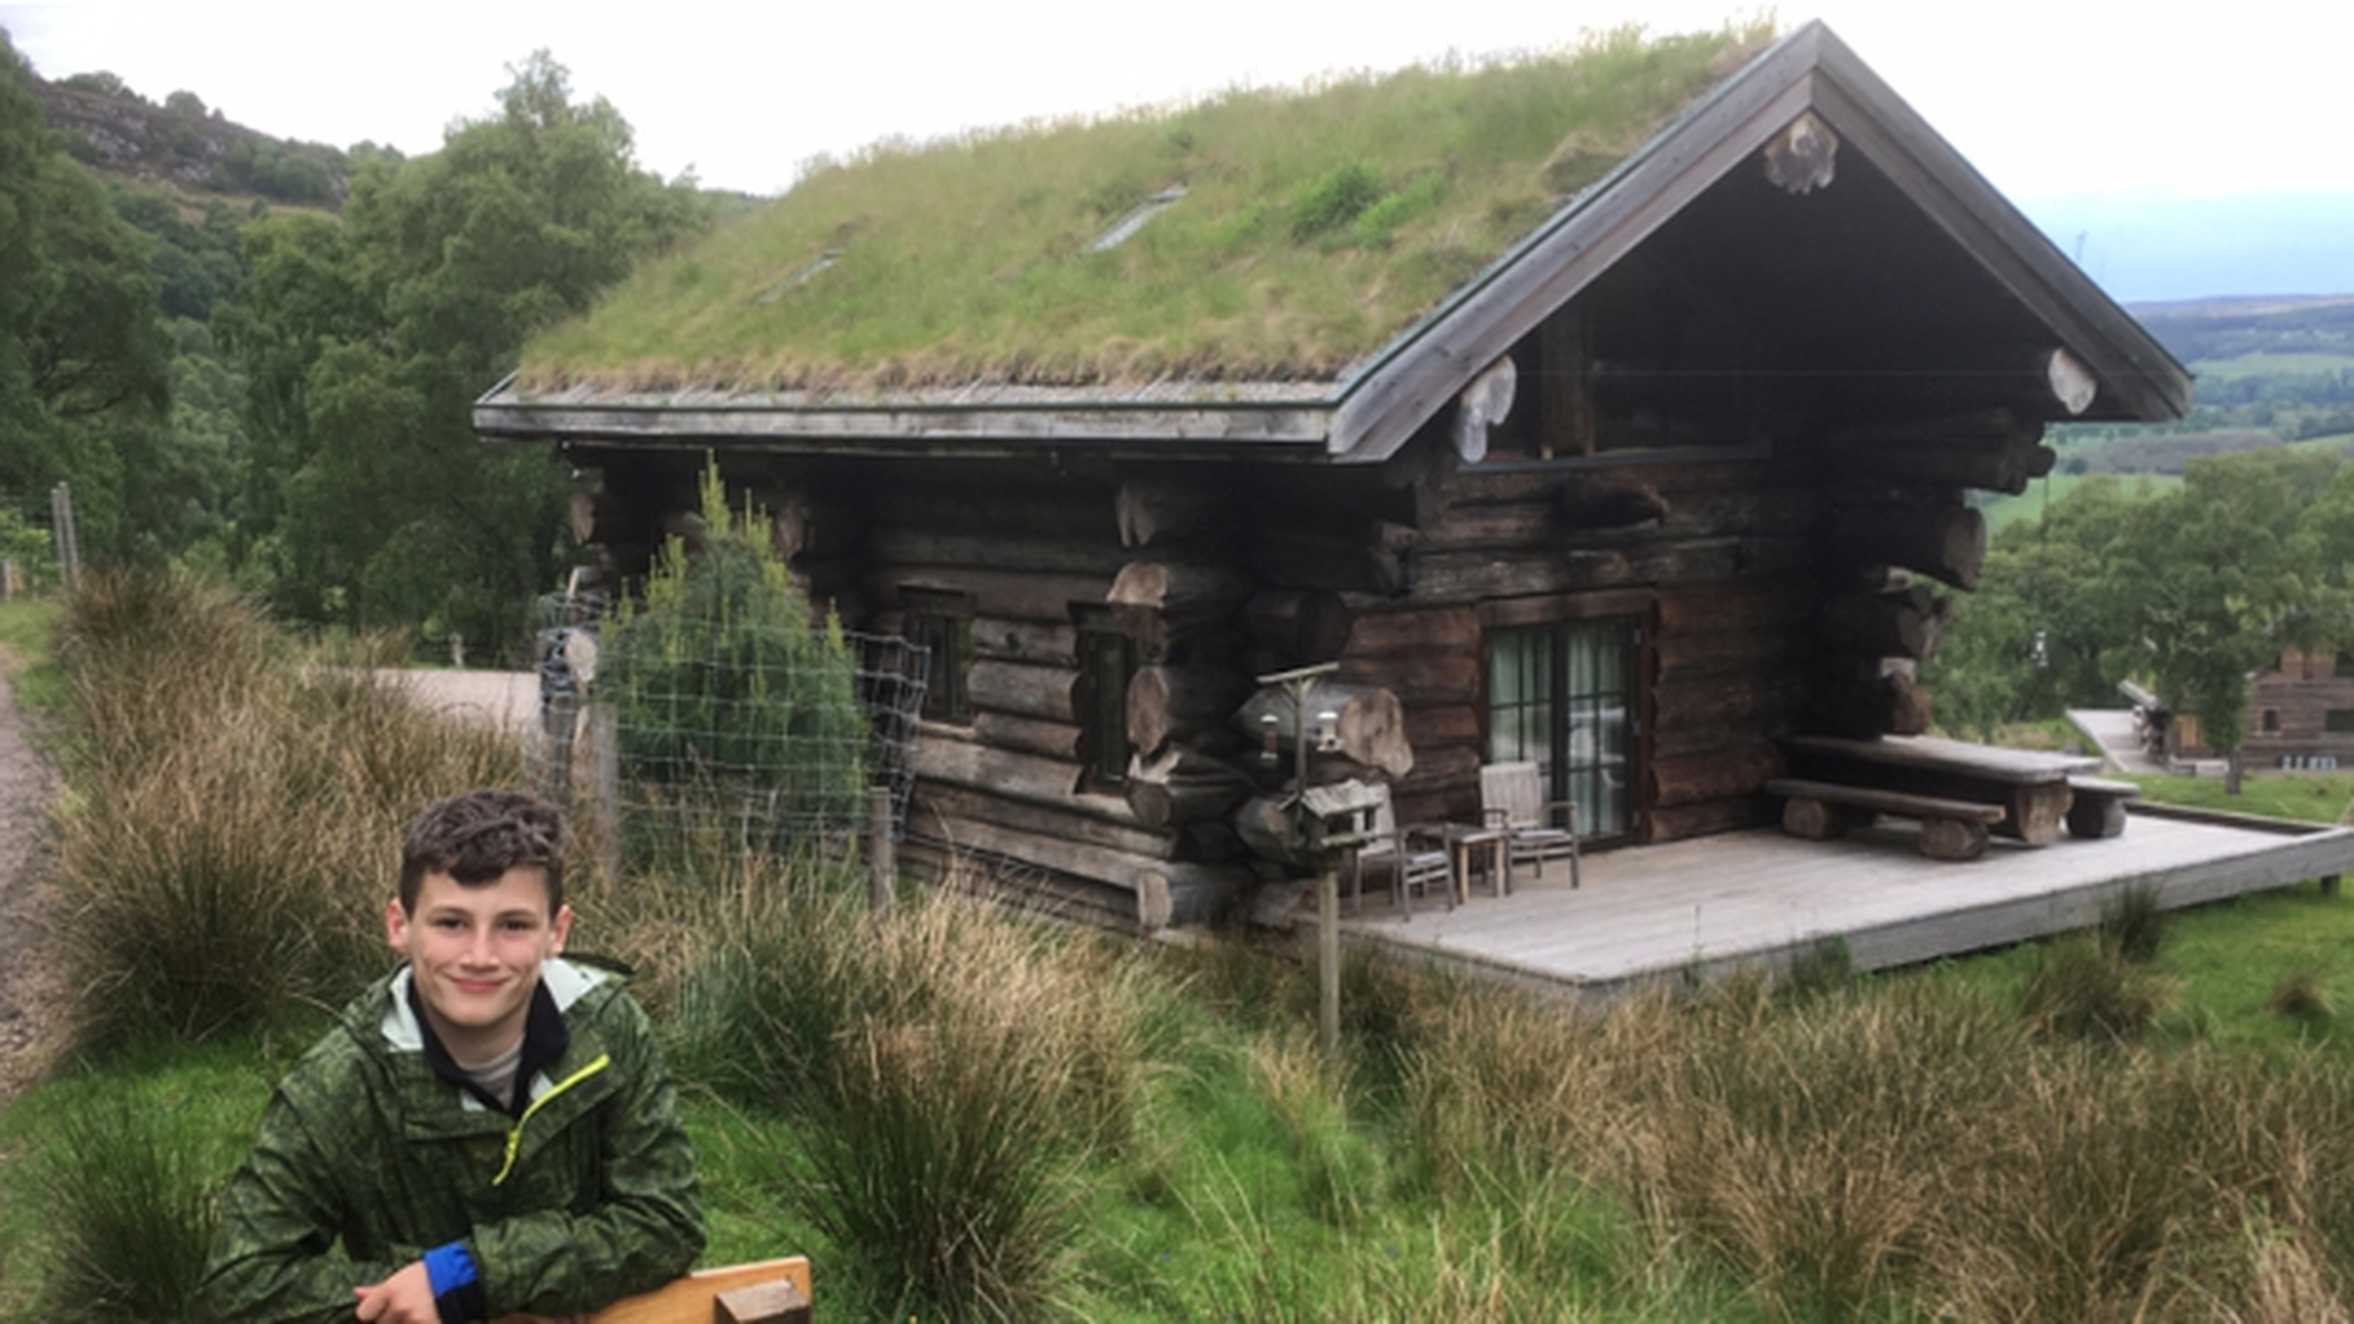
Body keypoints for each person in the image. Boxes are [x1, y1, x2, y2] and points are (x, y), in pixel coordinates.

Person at [203, 789, 703, 1323]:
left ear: (556, 932)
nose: (480, 957)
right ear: (400, 925)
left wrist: (466, 1276)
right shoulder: (341, 1081)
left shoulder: (609, 1030)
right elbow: (242, 1284)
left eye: (513, 925)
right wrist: (410, 1294)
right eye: (451, 924)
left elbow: (668, 1220)